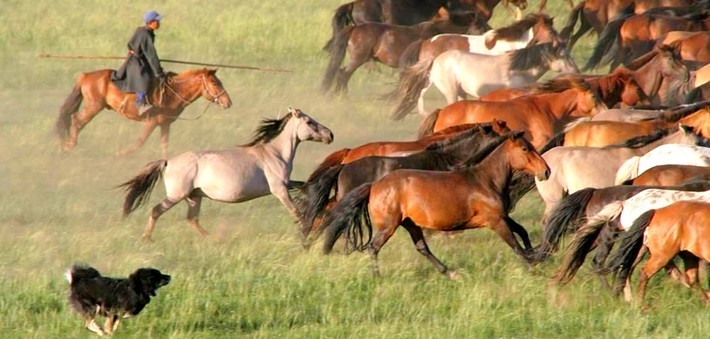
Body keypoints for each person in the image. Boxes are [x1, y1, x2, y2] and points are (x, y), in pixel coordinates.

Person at [112, 10, 166, 115]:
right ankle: (141, 104)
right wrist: (158, 72)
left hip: (138, 59)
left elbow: (131, 44)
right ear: (150, 22)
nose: (159, 23)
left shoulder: (142, 30)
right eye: (157, 21)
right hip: (136, 63)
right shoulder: (145, 34)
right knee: (144, 79)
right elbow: (151, 55)